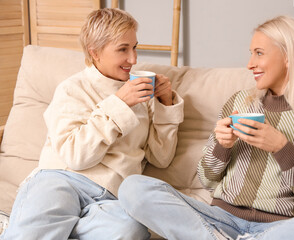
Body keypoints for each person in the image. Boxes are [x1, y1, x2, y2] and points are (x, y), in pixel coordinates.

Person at [117, 15, 294, 239]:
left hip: (281, 227)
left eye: (259, 53)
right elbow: (208, 180)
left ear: (289, 56)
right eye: (251, 53)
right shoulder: (240, 102)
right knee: (133, 188)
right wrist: (221, 146)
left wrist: (282, 148)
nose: (250, 64)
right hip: (219, 218)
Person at [1, 8, 183, 240]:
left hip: (111, 197)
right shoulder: (72, 89)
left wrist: (166, 104)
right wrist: (119, 104)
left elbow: (162, 158)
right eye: (123, 49)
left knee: (129, 231)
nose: (133, 59)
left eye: (134, 47)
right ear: (94, 52)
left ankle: (29, 224)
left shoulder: (143, 94)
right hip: (62, 180)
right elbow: (76, 156)